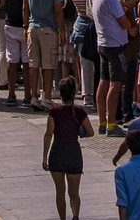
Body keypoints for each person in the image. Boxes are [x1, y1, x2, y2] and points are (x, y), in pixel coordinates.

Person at [43, 76, 94, 220]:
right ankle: (76, 215)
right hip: (73, 152)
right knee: (74, 193)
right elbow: (91, 132)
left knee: (60, 192)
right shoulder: (80, 112)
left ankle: (63, 218)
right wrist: (80, 133)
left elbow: (48, 134)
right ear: (74, 93)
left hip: (57, 151)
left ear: (60, 93)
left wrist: (44, 157)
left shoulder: (54, 113)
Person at [92, 0, 133, 136]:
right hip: (115, 46)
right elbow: (125, 22)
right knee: (116, 85)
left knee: (104, 82)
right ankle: (111, 124)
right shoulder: (111, 0)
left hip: (103, 43)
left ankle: (103, 121)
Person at [25, 0, 66, 109]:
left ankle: (34, 97)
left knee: (33, 64)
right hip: (48, 28)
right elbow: (57, 10)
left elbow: (25, 7)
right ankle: (46, 98)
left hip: (32, 27)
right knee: (48, 65)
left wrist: (25, 26)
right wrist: (62, 30)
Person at [2, 0, 33, 106]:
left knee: (12, 60)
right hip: (27, 24)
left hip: (11, 22)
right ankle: (28, 95)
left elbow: (1, 1)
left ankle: (12, 94)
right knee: (27, 62)